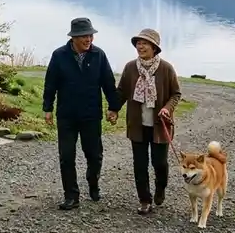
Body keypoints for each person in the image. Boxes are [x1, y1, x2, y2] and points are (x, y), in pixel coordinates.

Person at [42, 17, 121, 211]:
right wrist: (47, 108)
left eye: (90, 35)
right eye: (84, 36)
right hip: (66, 115)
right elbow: (50, 83)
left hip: (91, 115)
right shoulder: (59, 55)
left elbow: (108, 84)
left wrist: (113, 108)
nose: (88, 39)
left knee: (94, 155)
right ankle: (71, 196)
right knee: (66, 156)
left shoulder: (98, 55)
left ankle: (93, 182)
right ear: (74, 38)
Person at [116, 28, 182, 215]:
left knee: (159, 163)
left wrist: (166, 109)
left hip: (159, 126)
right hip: (137, 125)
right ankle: (145, 200)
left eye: (144, 43)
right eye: (138, 43)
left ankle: (160, 188)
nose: (140, 46)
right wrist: (114, 109)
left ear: (154, 48)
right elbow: (121, 92)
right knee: (140, 164)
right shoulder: (130, 68)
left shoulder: (166, 68)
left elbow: (176, 94)